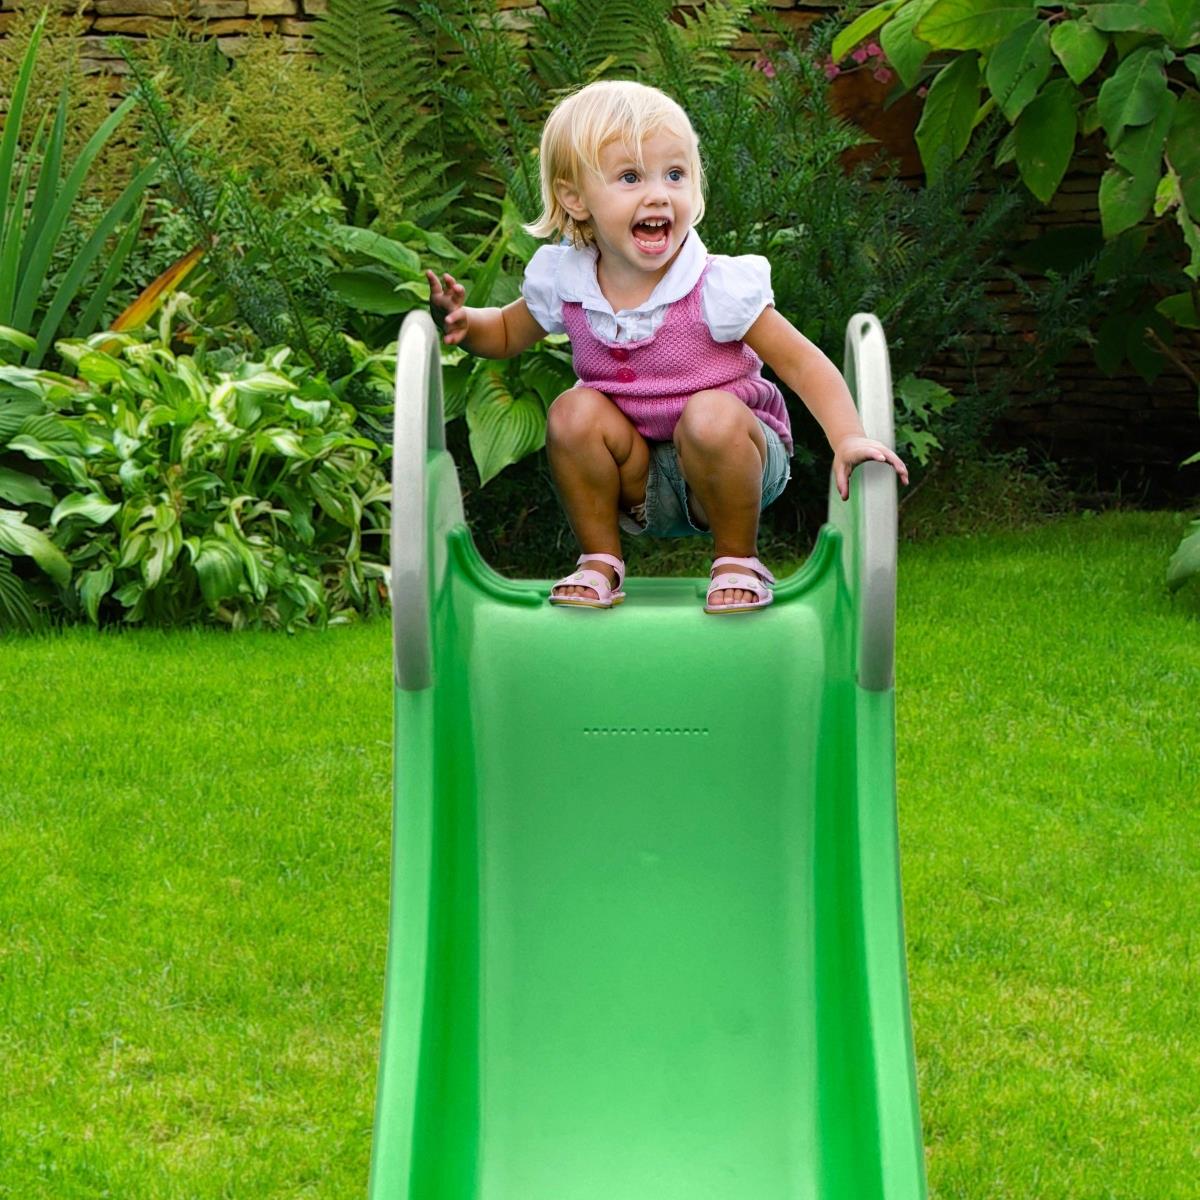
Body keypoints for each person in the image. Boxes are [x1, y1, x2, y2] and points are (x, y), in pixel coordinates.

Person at [426, 79, 907, 613]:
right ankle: (600, 562)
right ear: (574, 198)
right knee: (572, 410)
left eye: (674, 174)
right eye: (630, 177)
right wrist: (466, 325)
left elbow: (800, 361)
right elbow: (510, 332)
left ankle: (737, 561)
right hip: (637, 480)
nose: (658, 193)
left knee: (708, 414)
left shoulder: (715, 285)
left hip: (733, 461)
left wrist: (847, 438)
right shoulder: (568, 280)